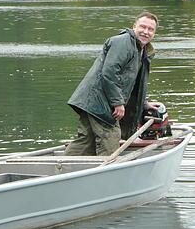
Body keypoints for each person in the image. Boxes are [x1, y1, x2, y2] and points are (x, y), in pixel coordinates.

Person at [64, 12, 162, 156]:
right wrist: (117, 103)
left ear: (154, 33)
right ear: (134, 26)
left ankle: (59, 172)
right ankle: (106, 174)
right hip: (99, 103)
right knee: (111, 138)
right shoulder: (123, 42)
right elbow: (109, 73)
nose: (146, 32)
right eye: (143, 27)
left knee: (86, 141)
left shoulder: (139, 50)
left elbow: (131, 83)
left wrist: (144, 104)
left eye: (150, 29)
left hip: (91, 101)